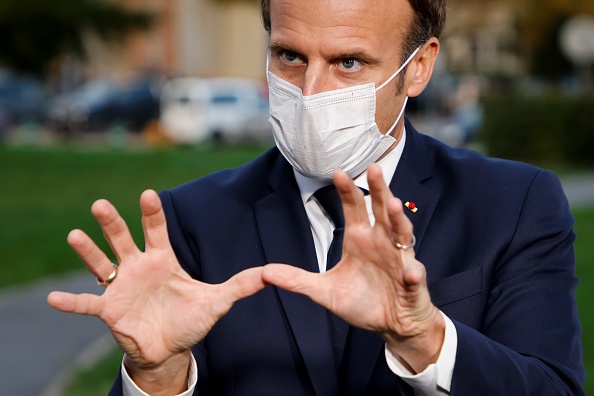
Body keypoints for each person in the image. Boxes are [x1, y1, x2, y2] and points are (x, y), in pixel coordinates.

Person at [48, 0, 585, 394]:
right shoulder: (193, 221)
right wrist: (157, 374)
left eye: (348, 62)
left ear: (418, 67)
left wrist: (427, 340)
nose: (309, 95)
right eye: (289, 56)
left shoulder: (514, 204)